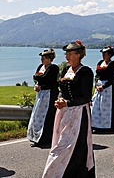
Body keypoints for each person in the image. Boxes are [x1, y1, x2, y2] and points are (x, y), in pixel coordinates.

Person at [42, 40, 95, 178]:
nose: (66, 56)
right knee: (61, 143)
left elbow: (86, 97)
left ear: (78, 55)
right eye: (66, 54)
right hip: (64, 112)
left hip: (79, 113)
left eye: (70, 53)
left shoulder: (85, 72)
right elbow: (62, 89)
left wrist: (68, 103)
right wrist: (60, 98)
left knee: (72, 145)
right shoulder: (66, 70)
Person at [27, 48, 59, 147]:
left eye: (44, 57)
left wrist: (41, 86)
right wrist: (37, 85)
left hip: (50, 94)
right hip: (41, 94)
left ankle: (45, 138)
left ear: (50, 58)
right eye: (42, 57)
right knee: (37, 115)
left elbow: (50, 81)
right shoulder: (41, 67)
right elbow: (37, 78)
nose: (42, 59)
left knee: (47, 116)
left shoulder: (53, 68)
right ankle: (35, 137)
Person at [91, 46, 114, 133]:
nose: (103, 55)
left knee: (108, 107)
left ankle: (110, 126)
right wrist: (96, 84)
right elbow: (97, 75)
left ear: (110, 55)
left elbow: (112, 78)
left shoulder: (113, 64)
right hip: (99, 86)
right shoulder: (100, 62)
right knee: (96, 106)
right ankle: (96, 125)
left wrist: (104, 86)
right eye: (102, 54)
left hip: (109, 87)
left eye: (105, 54)